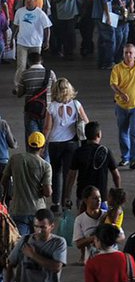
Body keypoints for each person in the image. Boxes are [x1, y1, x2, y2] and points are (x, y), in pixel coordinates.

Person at [42, 77, 87, 209]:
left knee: (56, 172)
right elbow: (86, 122)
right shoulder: (76, 104)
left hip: (54, 143)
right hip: (72, 143)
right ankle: (65, 201)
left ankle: (55, 203)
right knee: (69, 174)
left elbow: (47, 128)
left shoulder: (51, 107)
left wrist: (43, 145)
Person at [1, 131, 52, 236]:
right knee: (37, 243)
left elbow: (4, 181)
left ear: (28, 144)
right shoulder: (45, 166)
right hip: (38, 211)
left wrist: (4, 199)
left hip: (18, 209)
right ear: (42, 147)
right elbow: (47, 192)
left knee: (20, 244)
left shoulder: (15, 159)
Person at [110, 44, 135, 169]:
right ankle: (125, 157)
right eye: (126, 53)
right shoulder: (117, 68)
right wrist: (121, 94)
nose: (128, 55)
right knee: (123, 132)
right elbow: (113, 84)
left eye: (130, 53)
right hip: (121, 106)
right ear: (123, 54)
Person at [11, 0, 51, 85]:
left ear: (35, 0)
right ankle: (18, 85)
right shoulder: (20, 12)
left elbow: (47, 27)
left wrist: (47, 41)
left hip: (36, 43)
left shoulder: (40, 13)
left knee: (35, 66)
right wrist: (12, 38)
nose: (28, 0)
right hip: (22, 43)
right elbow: (16, 26)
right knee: (21, 66)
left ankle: (35, 83)